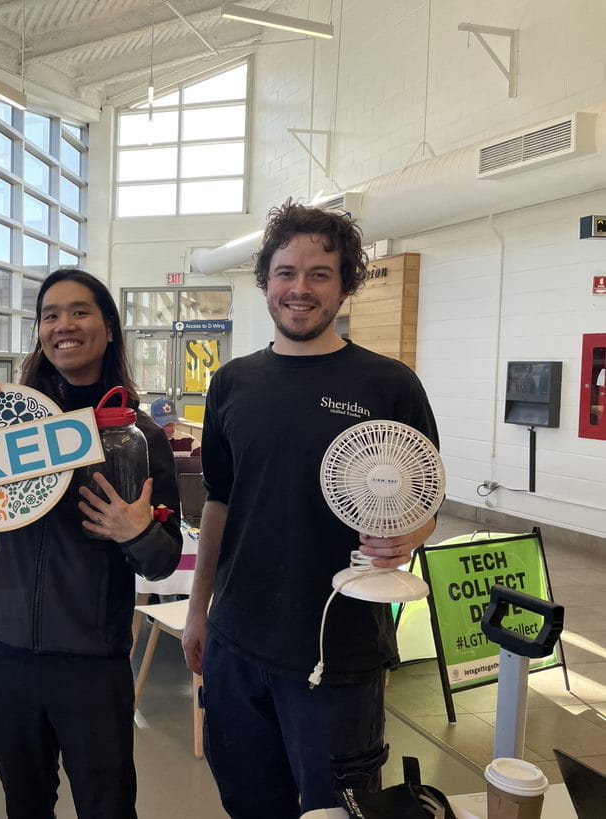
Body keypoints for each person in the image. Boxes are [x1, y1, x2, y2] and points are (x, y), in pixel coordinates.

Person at [181, 201, 440, 817]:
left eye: (320, 273)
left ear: (345, 285)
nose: (300, 288)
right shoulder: (233, 384)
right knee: (249, 801)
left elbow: (425, 500)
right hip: (237, 644)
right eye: (285, 272)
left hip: (339, 655)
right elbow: (220, 502)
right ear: (266, 282)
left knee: (336, 809)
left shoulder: (389, 384)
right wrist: (199, 612)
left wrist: (408, 536)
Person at [0, 269, 182, 819]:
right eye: (49, 315)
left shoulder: (137, 436)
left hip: (92, 663)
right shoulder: (8, 430)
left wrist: (136, 533)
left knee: (107, 808)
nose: (63, 325)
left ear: (109, 328)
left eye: (79, 312)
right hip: (9, 656)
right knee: (25, 805)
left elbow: (163, 562)